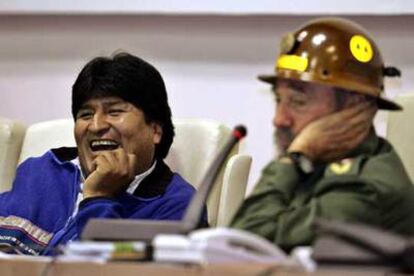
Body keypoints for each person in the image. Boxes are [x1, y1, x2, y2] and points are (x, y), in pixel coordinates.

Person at [231, 17, 414, 252]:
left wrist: (292, 158)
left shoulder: (367, 187)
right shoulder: (317, 163)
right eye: (279, 99)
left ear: (354, 105)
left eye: (298, 101)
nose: (279, 119)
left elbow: (246, 246)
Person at [0, 52, 203, 255]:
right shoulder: (41, 171)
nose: (96, 126)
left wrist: (98, 198)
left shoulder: (178, 206)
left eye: (114, 112)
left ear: (156, 130)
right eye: (85, 114)